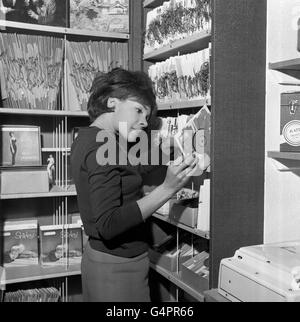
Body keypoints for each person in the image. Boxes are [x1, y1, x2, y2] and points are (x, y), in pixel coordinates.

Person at [70, 68, 198, 302]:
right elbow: (109, 223)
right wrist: (167, 189)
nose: (143, 122)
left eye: (147, 116)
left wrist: (163, 152)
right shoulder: (101, 146)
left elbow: (125, 172)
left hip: (102, 260)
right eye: (138, 110)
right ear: (112, 103)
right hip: (117, 268)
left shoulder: (92, 137)